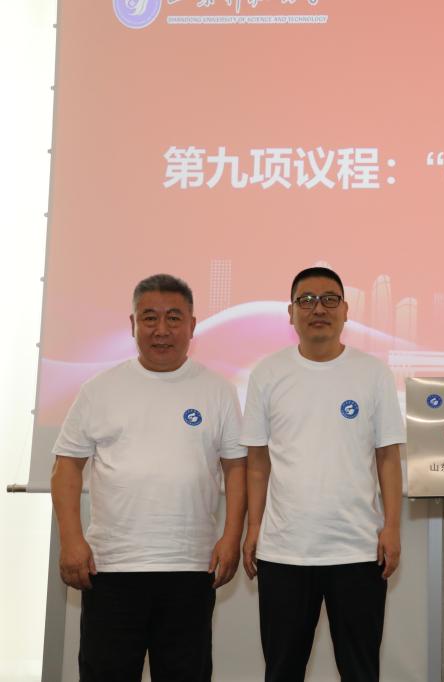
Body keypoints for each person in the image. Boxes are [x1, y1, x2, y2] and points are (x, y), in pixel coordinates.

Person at [50, 273, 247, 682]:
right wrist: (71, 540)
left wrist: (231, 538)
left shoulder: (218, 391)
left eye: (173, 318)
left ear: (192, 325)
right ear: (133, 324)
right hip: (111, 567)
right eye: (150, 318)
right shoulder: (99, 390)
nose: (161, 330)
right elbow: (66, 467)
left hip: (190, 567)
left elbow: (236, 468)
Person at [241, 266, 405, 682]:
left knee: (360, 670)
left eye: (330, 299)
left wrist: (391, 527)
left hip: (358, 550)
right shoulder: (267, 374)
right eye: (307, 300)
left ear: (346, 310)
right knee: (282, 669)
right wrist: (254, 527)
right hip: (284, 551)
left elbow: (388, 457)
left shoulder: (372, 373)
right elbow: (257, 462)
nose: (319, 309)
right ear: (290, 312)